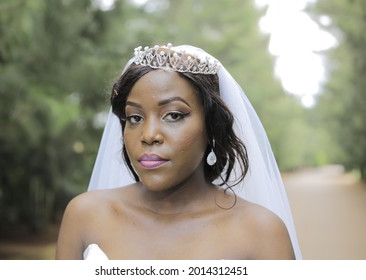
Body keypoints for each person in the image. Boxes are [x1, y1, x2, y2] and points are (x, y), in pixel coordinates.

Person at [55, 43, 302, 260]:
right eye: (135, 117)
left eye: (173, 115)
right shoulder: (85, 215)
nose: (149, 135)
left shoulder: (261, 232)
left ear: (212, 127)